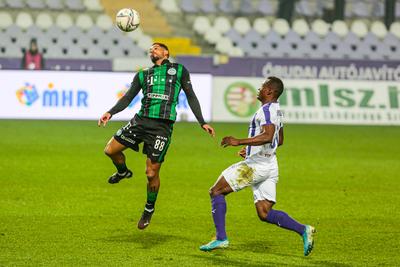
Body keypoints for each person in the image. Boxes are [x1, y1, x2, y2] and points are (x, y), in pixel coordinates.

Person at [98, 43, 215, 230]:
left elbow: (191, 96)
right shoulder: (143, 74)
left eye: (156, 48)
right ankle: (123, 172)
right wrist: (110, 113)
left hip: (162, 127)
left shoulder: (179, 70)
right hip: (141, 121)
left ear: (166, 52)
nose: (152, 50)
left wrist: (202, 121)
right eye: (150, 49)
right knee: (110, 150)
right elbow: (128, 98)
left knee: (151, 173)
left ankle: (148, 208)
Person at [199, 77, 316, 256]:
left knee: (216, 191)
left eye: (262, 86)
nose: (259, 88)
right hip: (270, 164)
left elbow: (268, 136)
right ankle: (303, 230)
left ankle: (221, 238)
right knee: (264, 212)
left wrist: (238, 141)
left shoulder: (267, 110)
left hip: (257, 166)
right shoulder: (277, 110)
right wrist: (251, 148)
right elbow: (279, 140)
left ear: (269, 91)